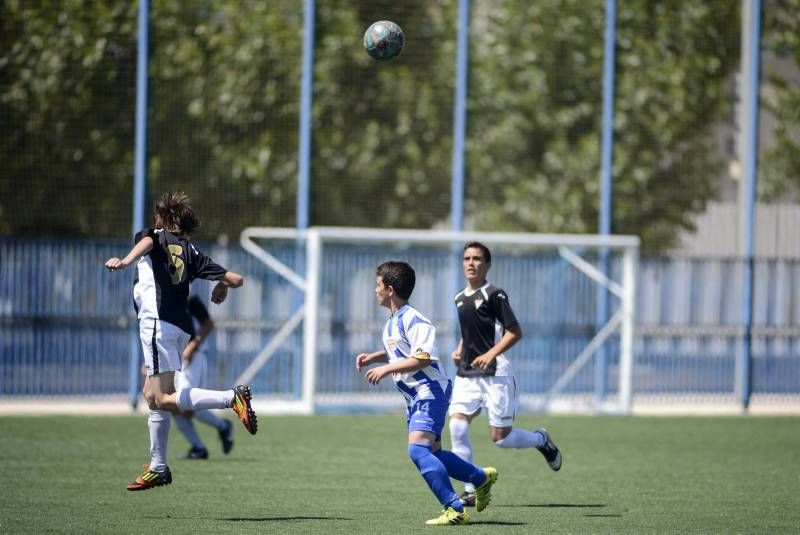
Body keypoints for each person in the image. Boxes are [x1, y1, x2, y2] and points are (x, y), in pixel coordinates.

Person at [105, 191, 257, 491]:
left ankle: (231, 399)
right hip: (179, 329)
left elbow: (147, 242)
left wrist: (126, 261)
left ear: (161, 219)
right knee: (152, 394)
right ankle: (158, 466)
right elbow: (237, 279)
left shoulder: (154, 236)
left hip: (156, 323)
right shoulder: (192, 251)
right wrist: (222, 286)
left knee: (161, 398)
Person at [355, 261, 497, 526]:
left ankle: (454, 508)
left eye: (377, 286)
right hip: (416, 396)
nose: (374, 291)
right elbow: (401, 349)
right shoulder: (393, 322)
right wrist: (375, 358)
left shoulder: (414, 319)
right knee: (433, 452)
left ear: (389, 289)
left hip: (429, 391)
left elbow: (421, 357)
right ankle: (480, 478)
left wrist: (386, 369)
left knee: (417, 450)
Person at [448, 241, 562, 507]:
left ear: (487, 264)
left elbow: (514, 331)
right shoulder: (459, 298)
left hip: (496, 374)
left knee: (501, 439)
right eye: (467, 258)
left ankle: (540, 439)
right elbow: (472, 333)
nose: (471, 263)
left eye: (477, 259)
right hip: (467, 373)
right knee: (456, 426)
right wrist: (460, 348)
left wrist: (490, 354)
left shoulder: (495, 294)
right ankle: (472, 487)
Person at [172, 294, 235, 459]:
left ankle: (222, 425)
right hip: (173, 357)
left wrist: (193, 345)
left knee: (182, 404)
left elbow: (208, 323)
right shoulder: (161, 298)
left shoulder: (189, 298)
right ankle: (200, 446)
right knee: (172, 405)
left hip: (193, 356)